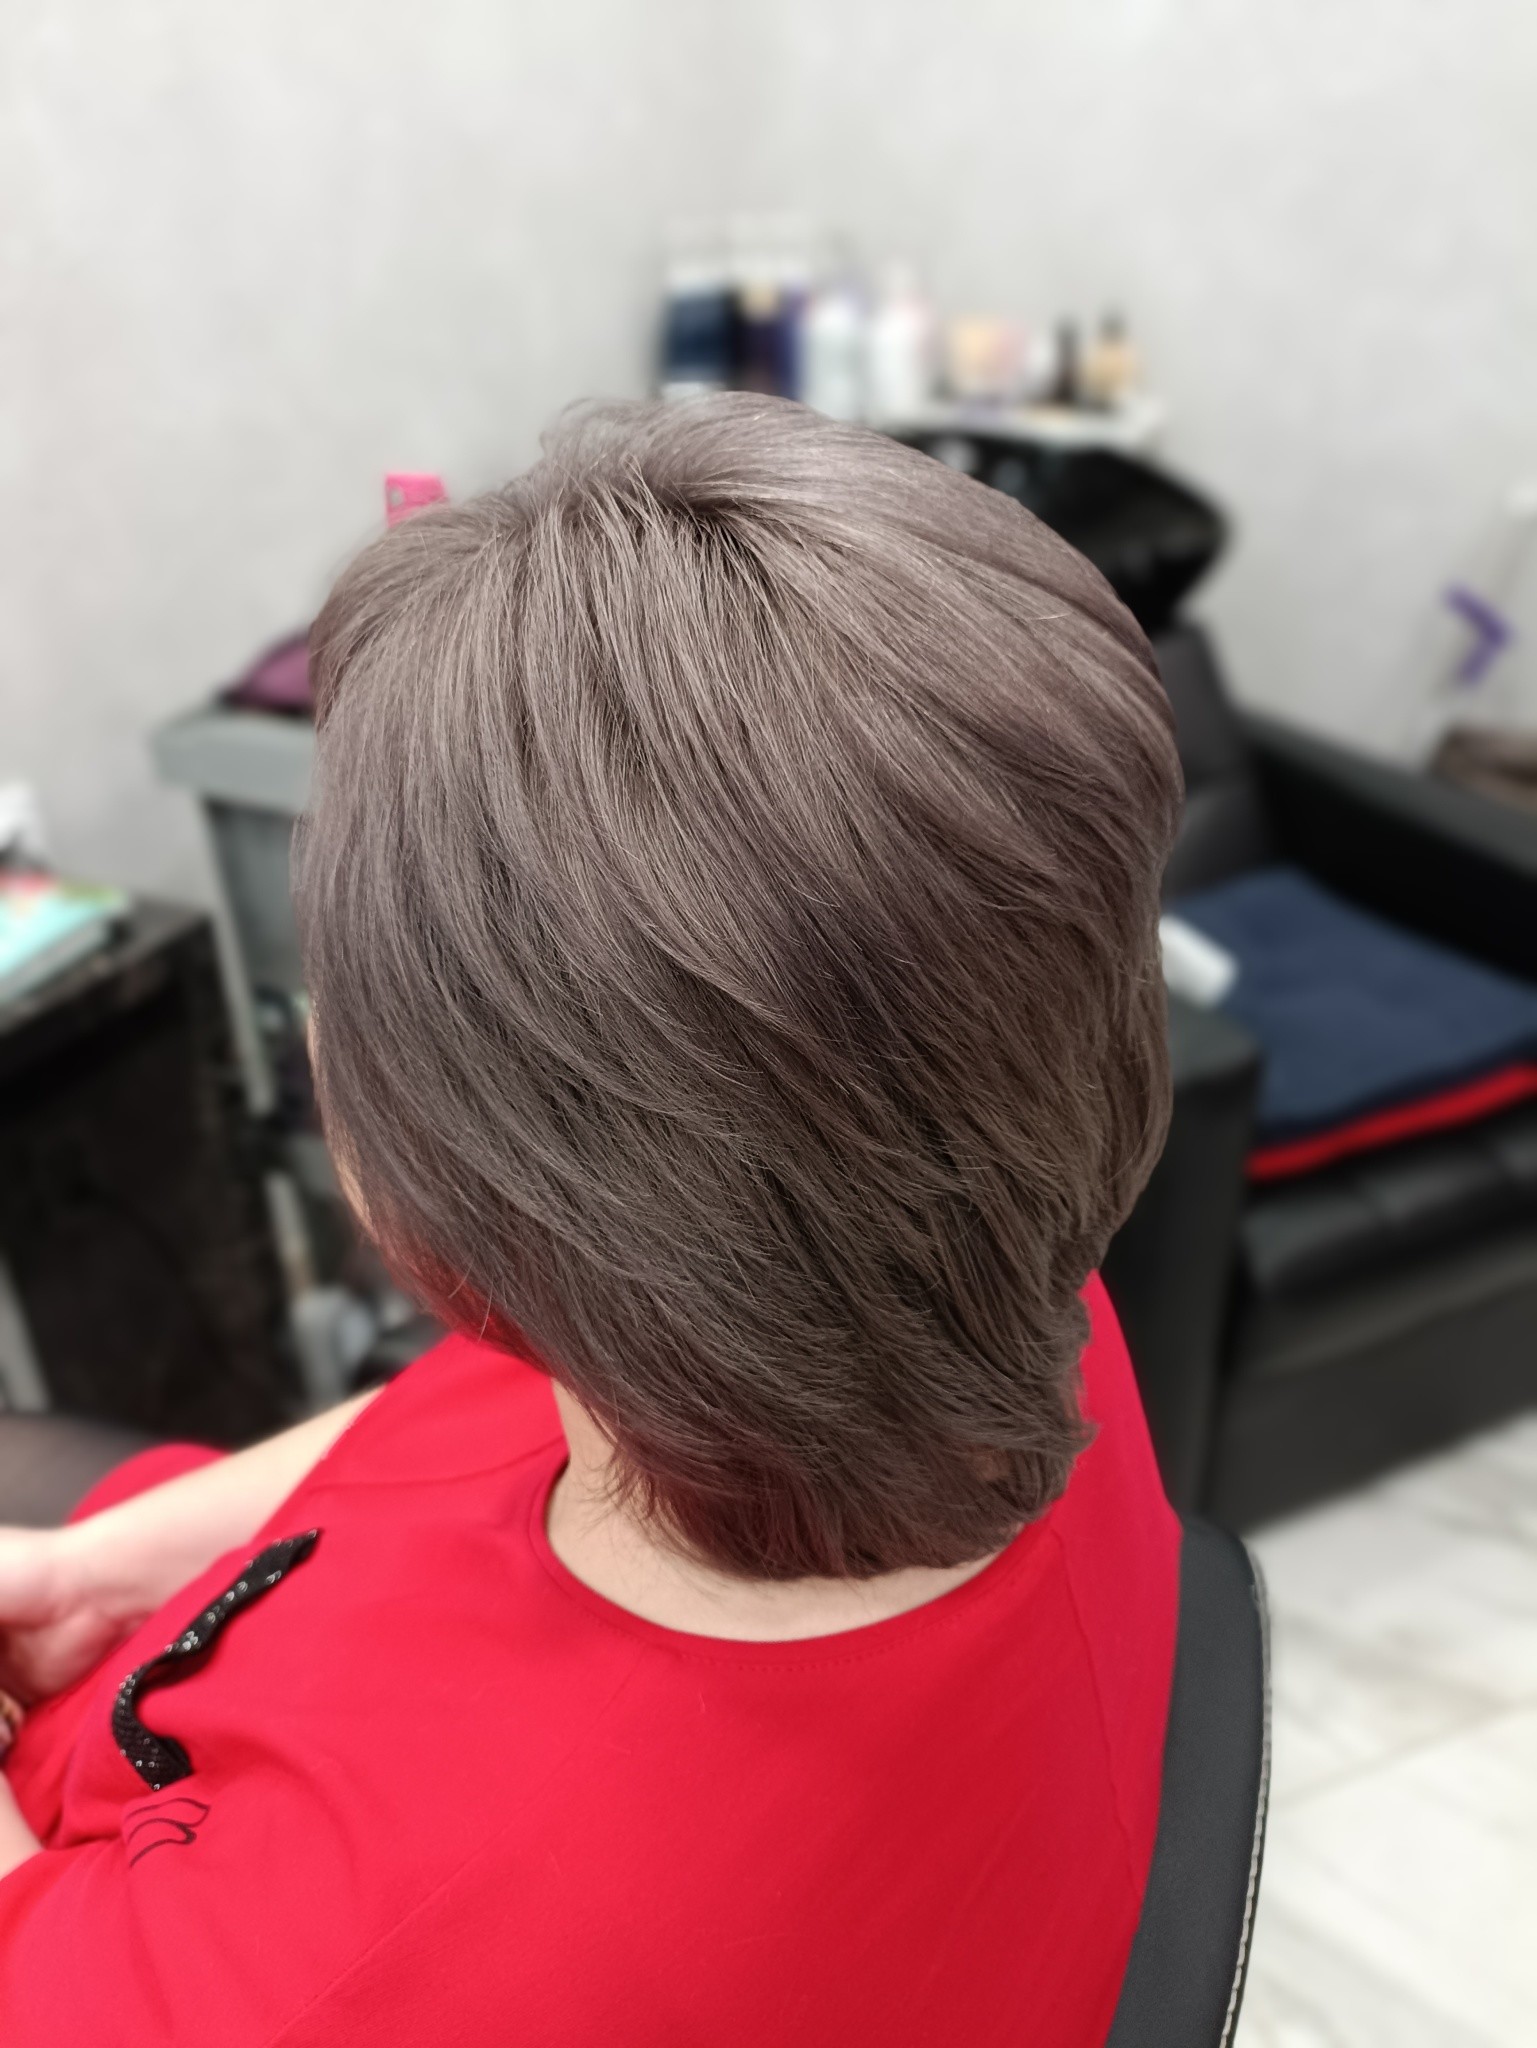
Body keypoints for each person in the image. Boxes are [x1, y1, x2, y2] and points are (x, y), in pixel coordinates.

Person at [0, 395, 1183, 2046]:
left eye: (340, 995)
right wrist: (92, 1570)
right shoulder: (970, 1291)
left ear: (470, 1183)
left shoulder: (368, 1975)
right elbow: (457, 1420)